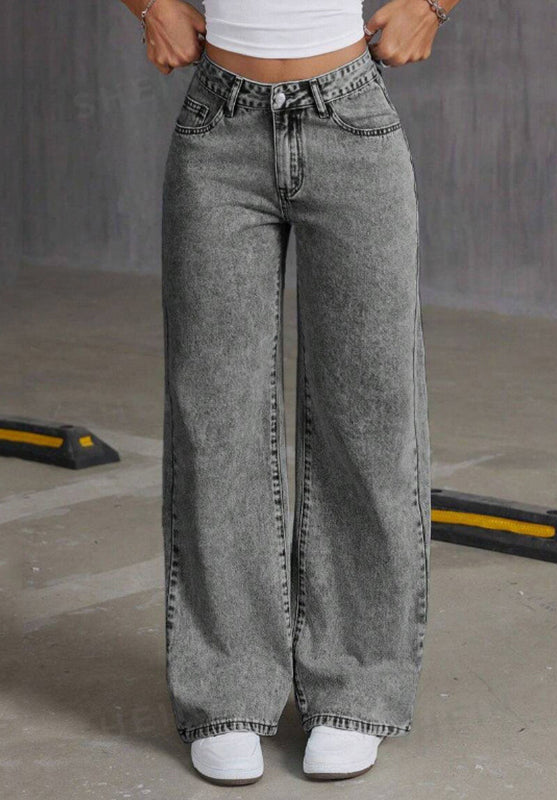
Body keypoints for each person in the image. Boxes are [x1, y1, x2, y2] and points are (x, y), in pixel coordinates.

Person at [120, 0, 461, 786]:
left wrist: (433, 6)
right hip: (219, 128)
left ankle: (354, 688)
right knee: (216, 420)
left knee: (370, 418)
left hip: (351, 120)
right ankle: (227, 691)